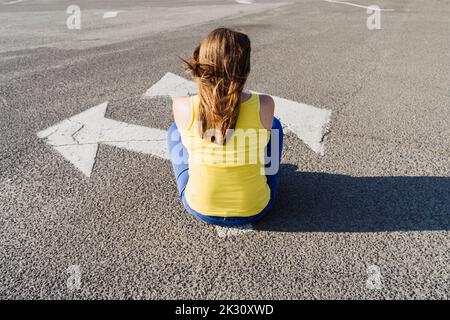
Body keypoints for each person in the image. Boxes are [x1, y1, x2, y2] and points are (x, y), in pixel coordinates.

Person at [167, 27, 283, 226]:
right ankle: (266, 170)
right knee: (274, 125)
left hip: (200, 207)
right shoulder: (264, 104)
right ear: (245, 69)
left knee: (174, 130)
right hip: (255, 208)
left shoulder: (182, 105)